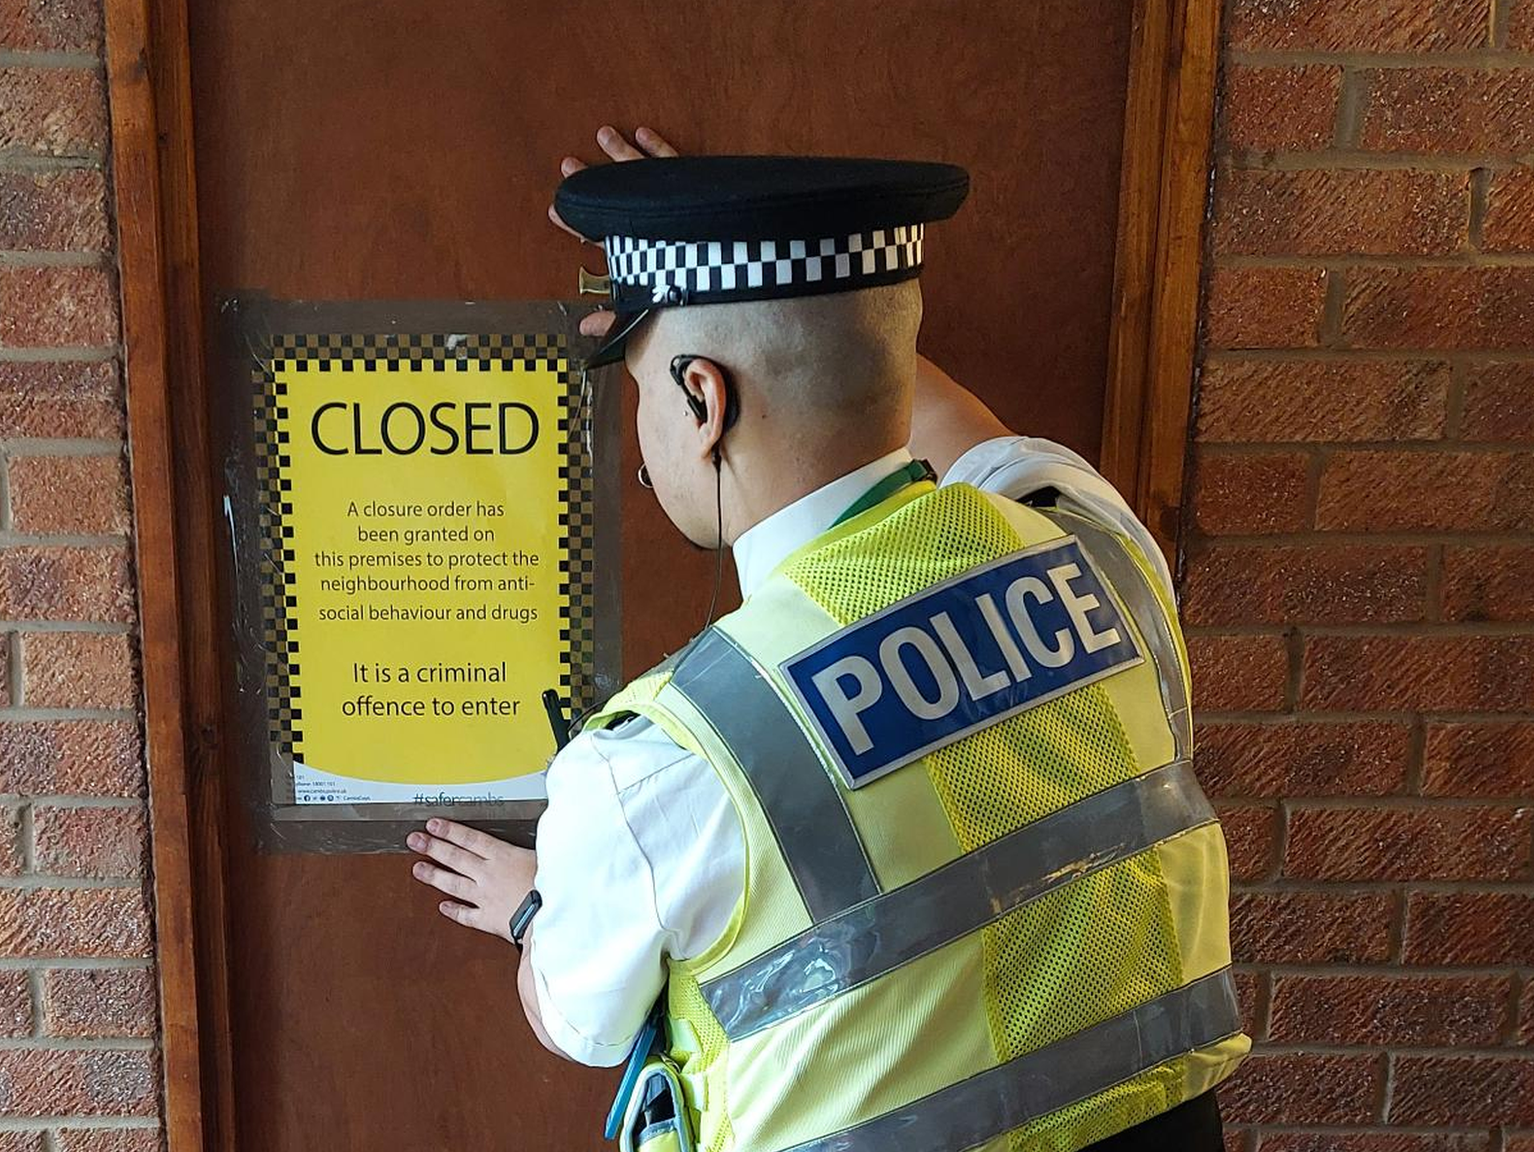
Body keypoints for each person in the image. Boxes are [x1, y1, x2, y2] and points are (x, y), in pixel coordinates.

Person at [407, 126, 1248, 1152]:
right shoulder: (1091, 544)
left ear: (700, 400)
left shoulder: (661, 763)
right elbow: (944, 418)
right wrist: (781, 255)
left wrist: (530, 914)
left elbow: (577, 1019)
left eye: (634, 386)